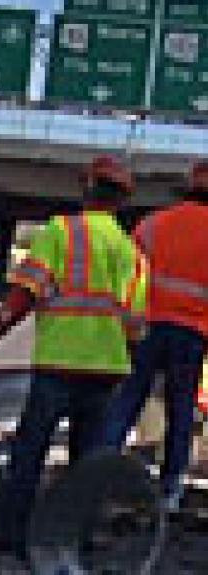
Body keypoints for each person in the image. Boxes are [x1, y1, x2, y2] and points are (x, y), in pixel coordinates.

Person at [0, 155, 148, 557]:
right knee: (88, 462)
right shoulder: (131, 252)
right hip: (105, 371)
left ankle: (9, 533)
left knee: (29, 452)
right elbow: (136, 326)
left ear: (86, 187)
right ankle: (75, 538)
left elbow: (25, 293)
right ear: (122, 201)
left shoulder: (60, 232)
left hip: (58, 366)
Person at [102, 161, 208, 511]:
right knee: (181, 411)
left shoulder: (151, 225)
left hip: (146, 326)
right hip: (191, 332)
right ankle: (170, 489)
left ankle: (99, 477)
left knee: (126, 402)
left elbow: (125, 277)